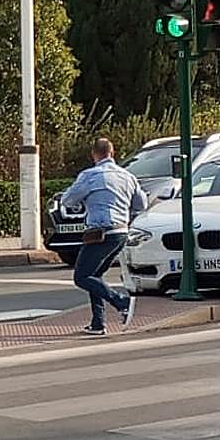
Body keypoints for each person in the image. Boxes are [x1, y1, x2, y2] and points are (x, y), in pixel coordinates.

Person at [61, 137, 146, 336]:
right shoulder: (128, 176)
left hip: (101, 233)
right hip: (121, 233)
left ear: (94, 154)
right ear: (112, 153)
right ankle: (98, 323)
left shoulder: (90, 175)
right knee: (95, 276)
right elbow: (141, 204)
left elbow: (68, 199)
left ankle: (122, 302)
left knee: (82, 276)